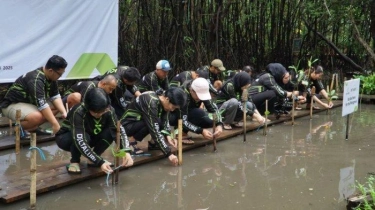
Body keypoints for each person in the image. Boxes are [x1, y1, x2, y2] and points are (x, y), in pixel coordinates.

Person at [55, 88, 133, 174]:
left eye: (102, 111)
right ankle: (75, 161)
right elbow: (79, 140)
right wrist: (100, 162)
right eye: (96, 112)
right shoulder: (78, 112)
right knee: (84, 137)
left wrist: (126, 151)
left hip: (91, 135)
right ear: (88, 108)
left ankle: (94, 158)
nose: (99, 114)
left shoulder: (109, 110)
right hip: (66, 138)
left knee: (110, 132)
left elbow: (118, 130)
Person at [0, 55, 68, 135]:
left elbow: (55, 96)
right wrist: (55, 124)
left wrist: (64, 112)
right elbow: (42, 105)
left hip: (30, 104)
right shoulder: (36, 79)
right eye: (59, 74)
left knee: (57, 107)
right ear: (51, 71)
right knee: (37, 116)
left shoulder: (51, 77)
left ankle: (32, 127)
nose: (60, 76)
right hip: (12, 105)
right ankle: (19, 128)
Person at [120, 87, 187, 166]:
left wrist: (168, 136)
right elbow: (154, 129)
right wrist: (168, 153)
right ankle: (131, 142)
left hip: (140, 121)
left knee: (157, 121)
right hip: (127, 125)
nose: (172, 110)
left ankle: (153, 143)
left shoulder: (163, 99)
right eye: (173, 107)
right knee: (154, 123)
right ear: (167, 99)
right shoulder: (151, 101)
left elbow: (165, 119)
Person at [169, 78, 223, 144]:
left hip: (190, 113)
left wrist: (219, 124)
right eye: (198, 95)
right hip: (174, 116)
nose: (200, 98)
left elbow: (213, 109)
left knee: (209, 121)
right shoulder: (183, 95)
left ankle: (187, 130)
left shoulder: (201, 89)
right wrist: (201, 131)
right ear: (192, 90)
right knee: (199, 113)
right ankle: (181, 134)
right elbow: (183, 121)